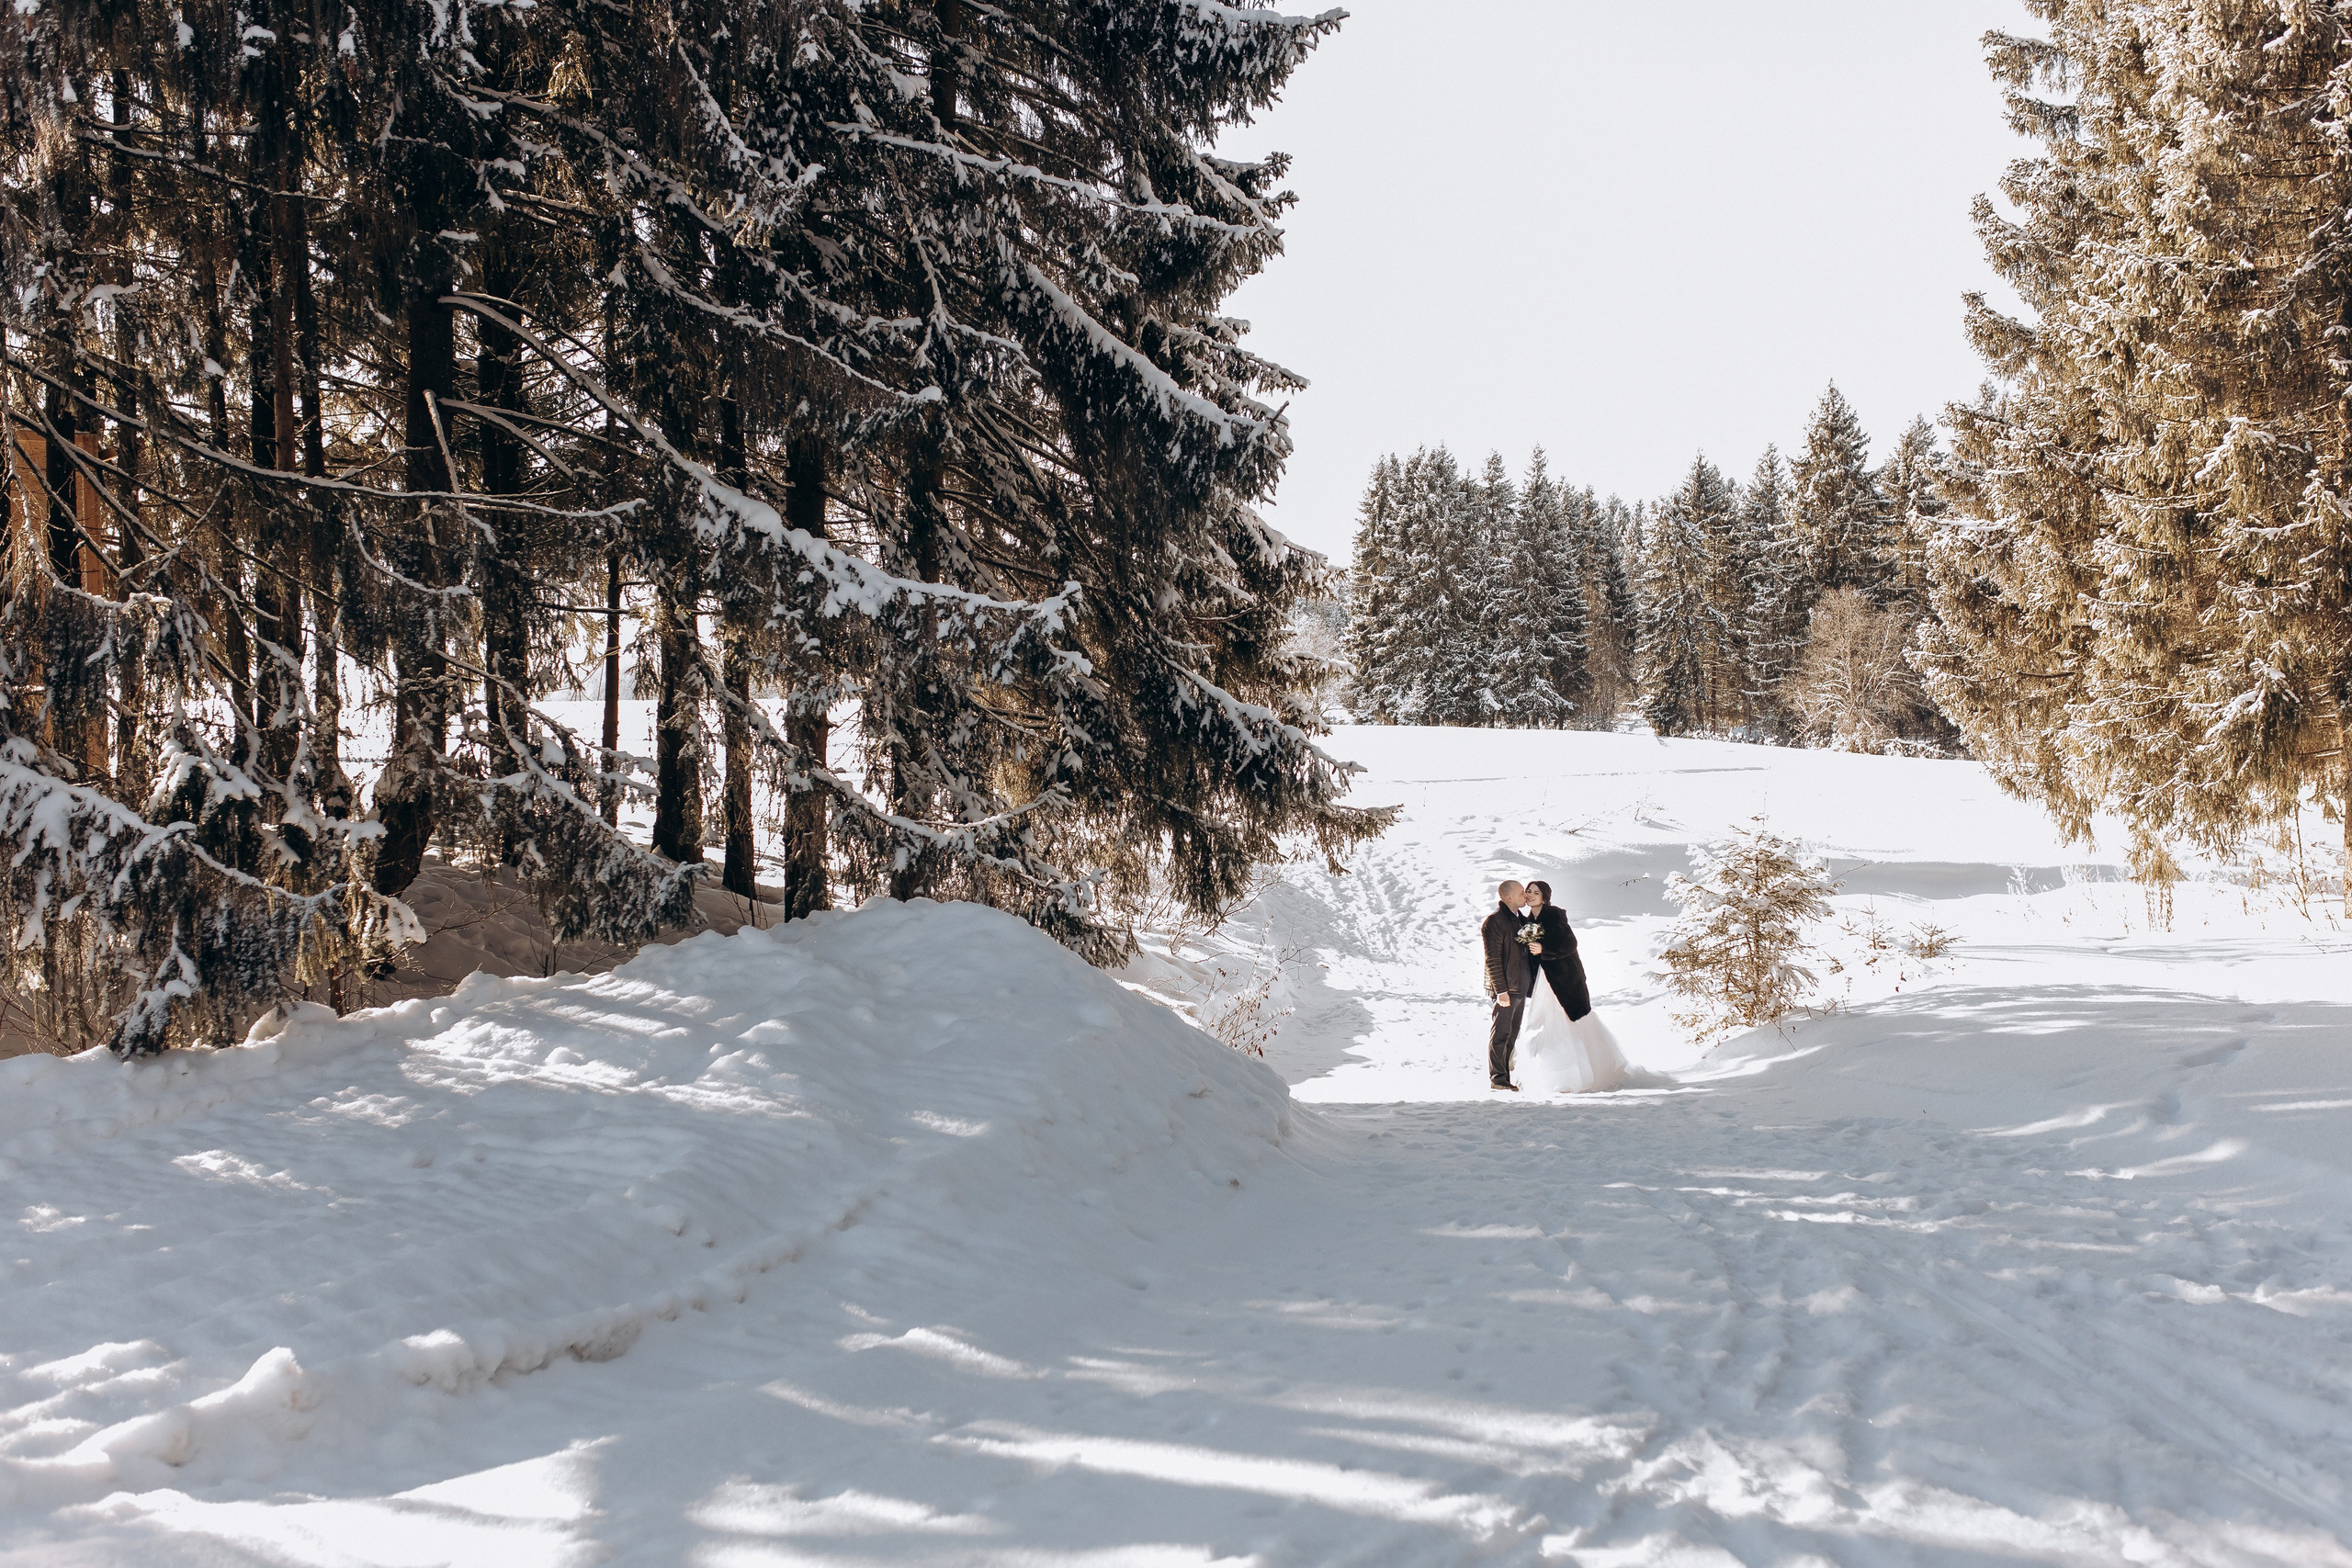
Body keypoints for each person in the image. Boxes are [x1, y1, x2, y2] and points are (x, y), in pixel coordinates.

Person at [1514, 879, 1657, 1095]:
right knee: (1548, 1025)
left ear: (1545, 896)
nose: (1531, 894)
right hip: (1543, 981)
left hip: (1565, 978)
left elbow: (1569, 945)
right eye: (1529, 891)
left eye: (1537, 892)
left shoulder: (1554, 915)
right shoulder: (1526, 921)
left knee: (1569, 1021)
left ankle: (1585, 1076)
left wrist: (1544, 948)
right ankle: (1558, 1077)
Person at [1479, 879, 1532, 1091]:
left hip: (1521, 987)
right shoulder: (1494, 922)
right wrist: (1501, 990)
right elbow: (1492, 959)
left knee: (1512, 1034)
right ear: (1508, 897)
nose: (1525, 895)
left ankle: (1506, 1078)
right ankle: (1498, 1079)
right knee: (1500, 1034)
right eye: (1521, 893)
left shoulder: (1520, 919)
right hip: (1506, 989)